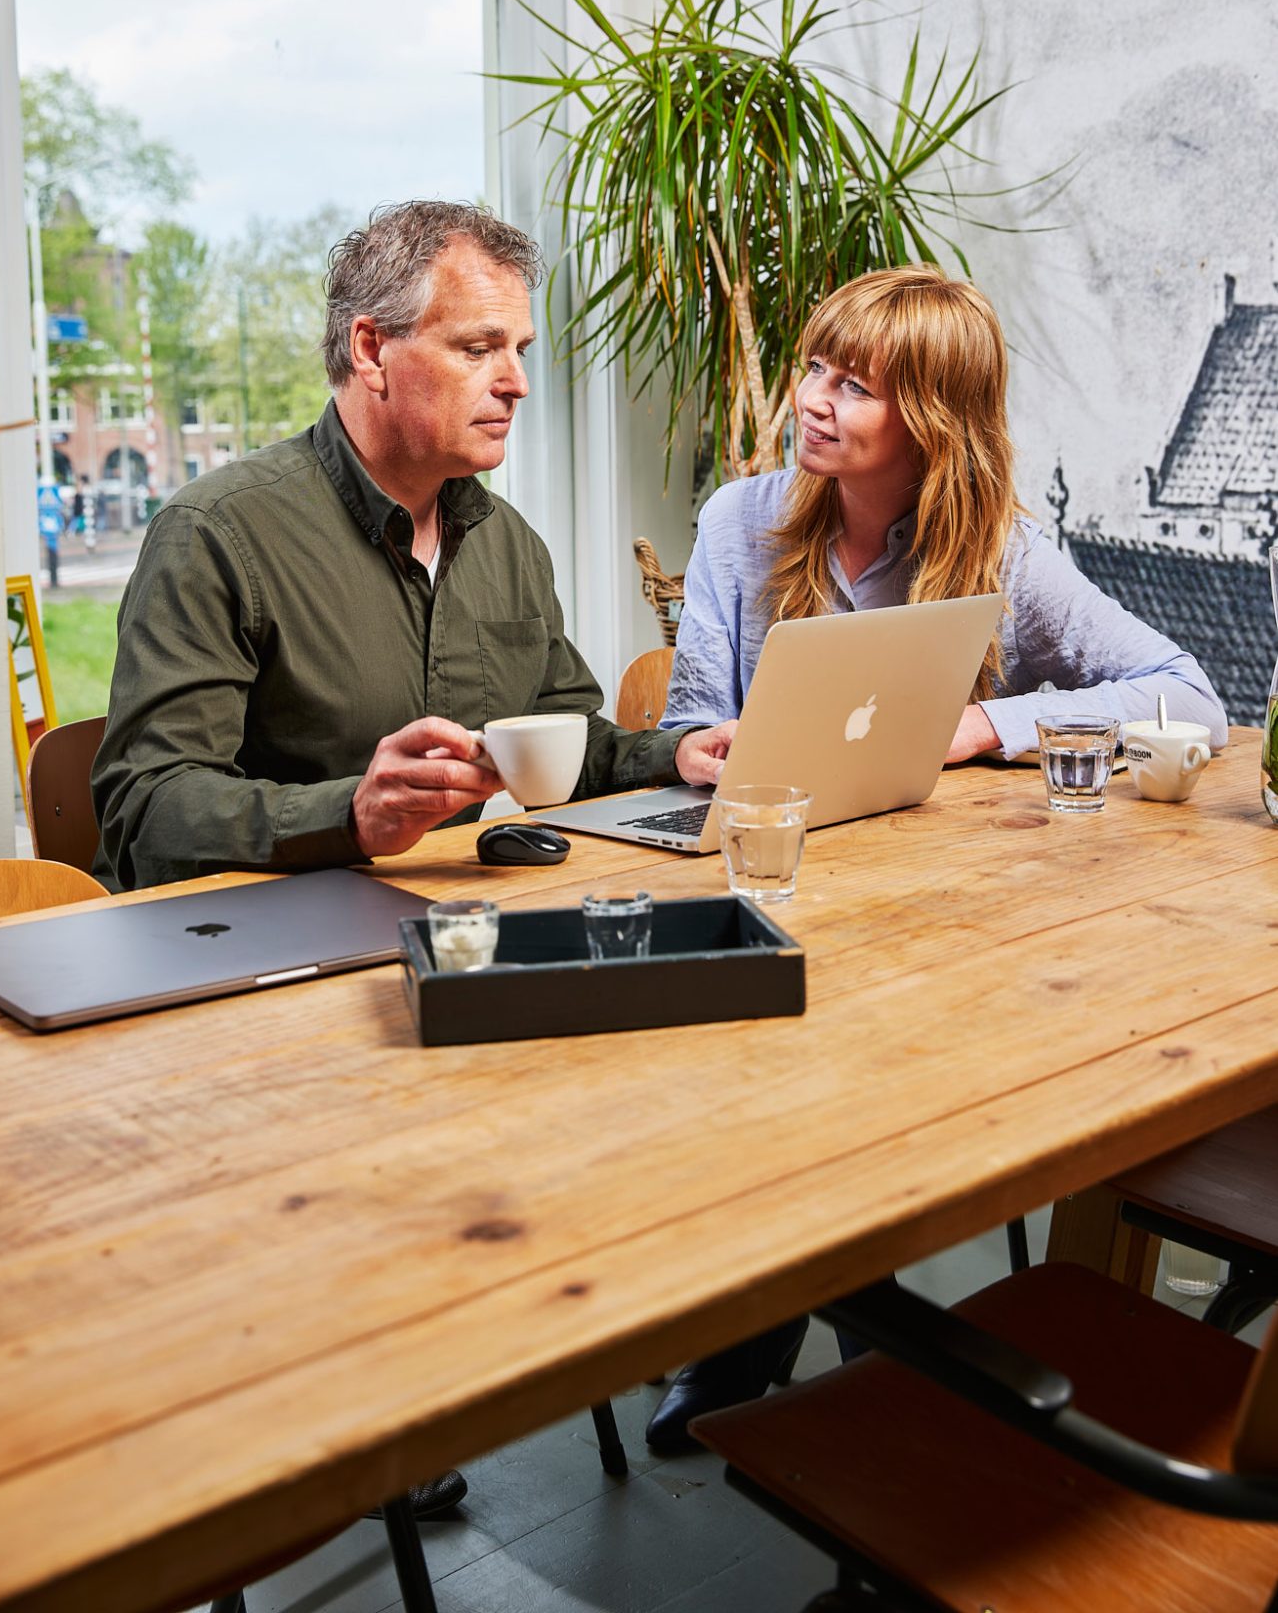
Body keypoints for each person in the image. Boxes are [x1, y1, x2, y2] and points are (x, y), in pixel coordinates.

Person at [641, 263, 1228, 1455]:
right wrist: (694, 745)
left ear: (929, 418)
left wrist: (987, 724)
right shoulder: (739, 522)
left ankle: (843, 1349)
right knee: (786, 1070)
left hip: (926, 922)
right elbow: (685, 716)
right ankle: (781, 1344)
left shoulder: (1001, 553)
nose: (813, 399)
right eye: (815, 368)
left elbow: (1188, 690)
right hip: (775, 881)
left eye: (853, 386)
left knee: (876, 1078)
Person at [92, 199, 732, 891]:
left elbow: (564, 738)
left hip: (443, 916)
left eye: (519, 351)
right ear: (371, 351)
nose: (516, 383)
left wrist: (680, 754)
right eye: (478, 349)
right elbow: (145, 809)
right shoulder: (215, 533)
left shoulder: (509, 544)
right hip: (246, 936)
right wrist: (353, 814)